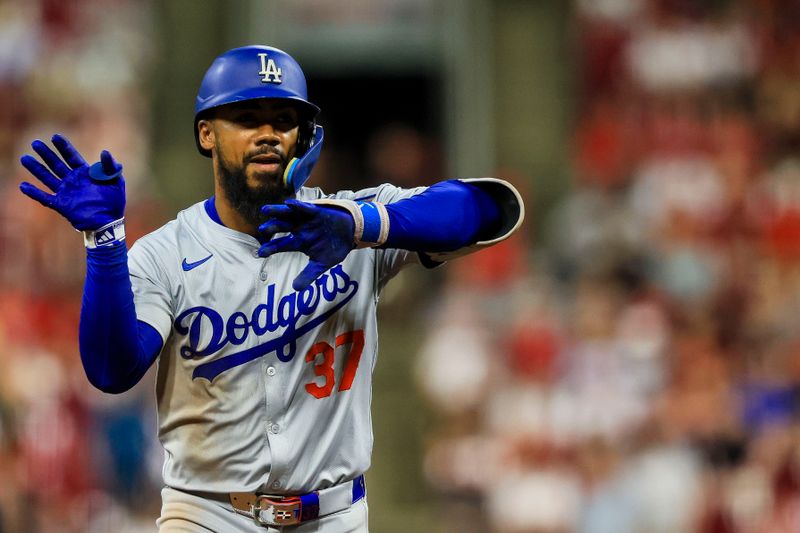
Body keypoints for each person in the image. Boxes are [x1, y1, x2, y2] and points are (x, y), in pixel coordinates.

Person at [18, 45, 524, 532]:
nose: (268, 134)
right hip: (206, 513)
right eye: (246, 118)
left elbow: (487, 210)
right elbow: (111, 370)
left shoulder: (356, 221)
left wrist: (363, 225)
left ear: (305, 137)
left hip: (333, 516)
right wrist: (105, 243)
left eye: (284, 121)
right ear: (206, 134)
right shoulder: (165, 252)